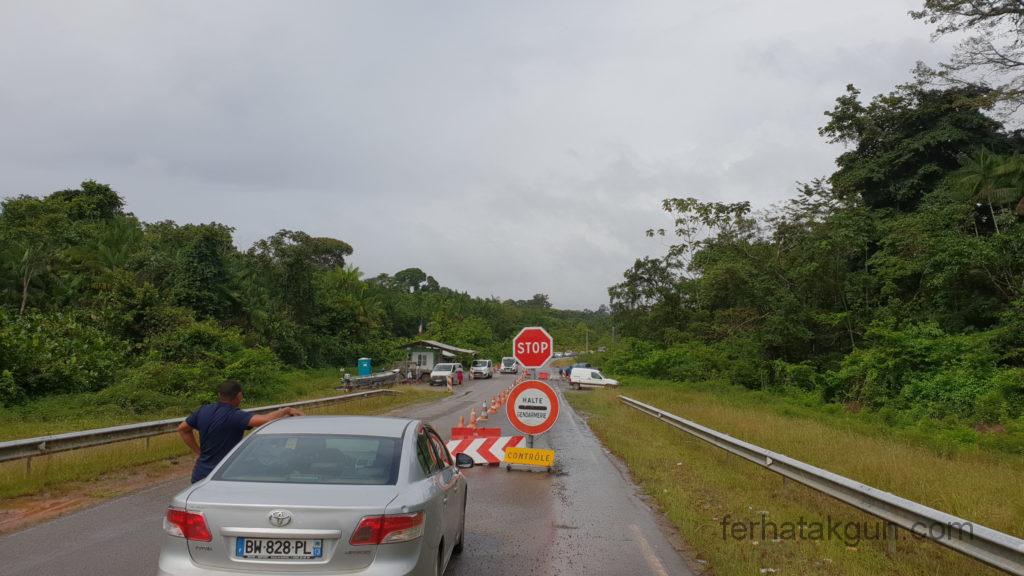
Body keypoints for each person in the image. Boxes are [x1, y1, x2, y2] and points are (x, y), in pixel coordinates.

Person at [177, 379, 304, 483]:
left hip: (201, 474)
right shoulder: (235, 415)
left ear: (220, 395)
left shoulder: (203, 410)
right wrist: (286, 410)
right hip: (224, 474)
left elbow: (182, 429)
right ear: (239, 396)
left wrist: (199, 452)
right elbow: (266, 420)